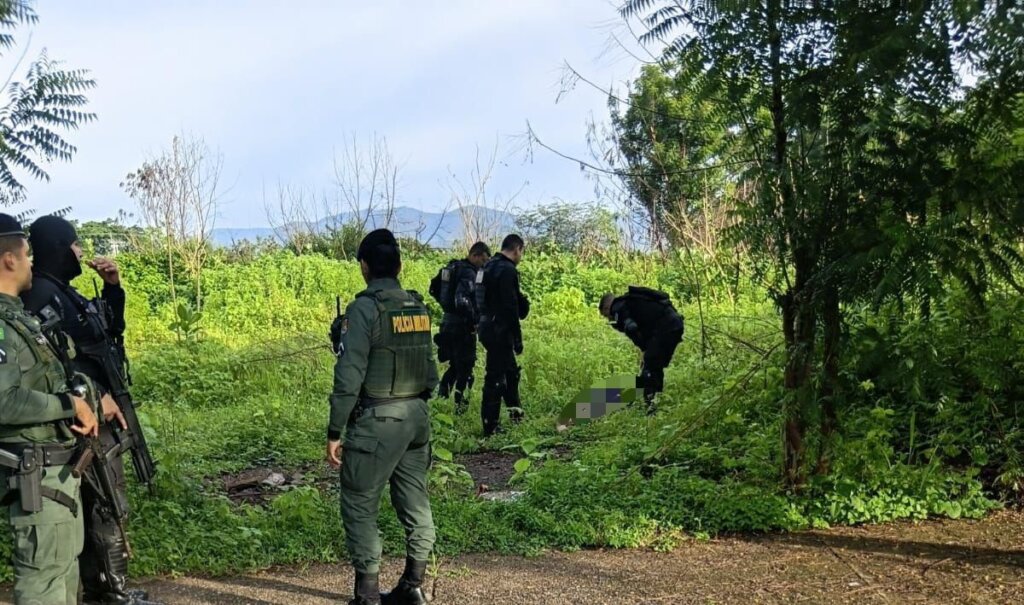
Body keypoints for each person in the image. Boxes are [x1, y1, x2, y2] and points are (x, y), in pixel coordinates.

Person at [21, 215, 160, 605]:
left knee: (105, 499)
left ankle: (107, 587)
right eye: (75, 244)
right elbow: (53, 367)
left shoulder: (63, 291)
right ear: (59, 248)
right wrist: (96, 395)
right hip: (84, 417)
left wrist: (113, 288)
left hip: (99, 410)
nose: (81, 252)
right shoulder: (41, 297)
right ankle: (109, 592)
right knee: (105, 500)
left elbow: (107, 335)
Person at [327, 228, 438, 605]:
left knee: (360, 502)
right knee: (414, 499)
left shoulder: (364, 309)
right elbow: (431, 373)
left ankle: (368, 596)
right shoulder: (417, 306)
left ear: (364, 267)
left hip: (377, 421)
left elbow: (349, 375)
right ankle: (414, 584)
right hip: (417, 418)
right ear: (400, 266)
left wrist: (335, 430)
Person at [0, 213, 99, 605]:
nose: (31, 263)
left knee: (61, 575)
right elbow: (3, 400)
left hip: (56, 472)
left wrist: (86, 394)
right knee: (43, 585)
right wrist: (68, 404)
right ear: (9, 259)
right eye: (26, 255)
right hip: (34, 473)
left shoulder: (17, 317)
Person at [599, 286, 684, 415]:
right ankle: (655, 400)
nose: (609, 318)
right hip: (675, 324)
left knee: (650, 366)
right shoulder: (631, 302)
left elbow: (631, 327)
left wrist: (644, 349)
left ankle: (650, 406)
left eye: (606, 315)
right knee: (655, 365)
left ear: (607, 307)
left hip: (666, 329)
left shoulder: (618, 307)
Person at [476, 234, 529, 437]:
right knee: (496, 377)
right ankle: (490, 426)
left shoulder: (487, 266)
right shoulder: (507, 270)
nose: (520, 257)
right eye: (521, 252)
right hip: (500, 330)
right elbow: (510, 306)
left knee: (510, 373)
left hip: (486, 326)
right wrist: (517, 338)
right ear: (517, 249)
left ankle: (517, 417)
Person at [432, 241, 490, 414]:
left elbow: (433, 288)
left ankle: (441, 400)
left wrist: (446, 308)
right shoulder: (468, 273)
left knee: (455, 365)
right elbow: (462, 300)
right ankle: (461, 408)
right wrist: (473, 322)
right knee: (466, 368)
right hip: (462, 327)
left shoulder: (452, 267)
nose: (484, 265)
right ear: (475, 255)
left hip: (447, 323)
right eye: (483, 260)